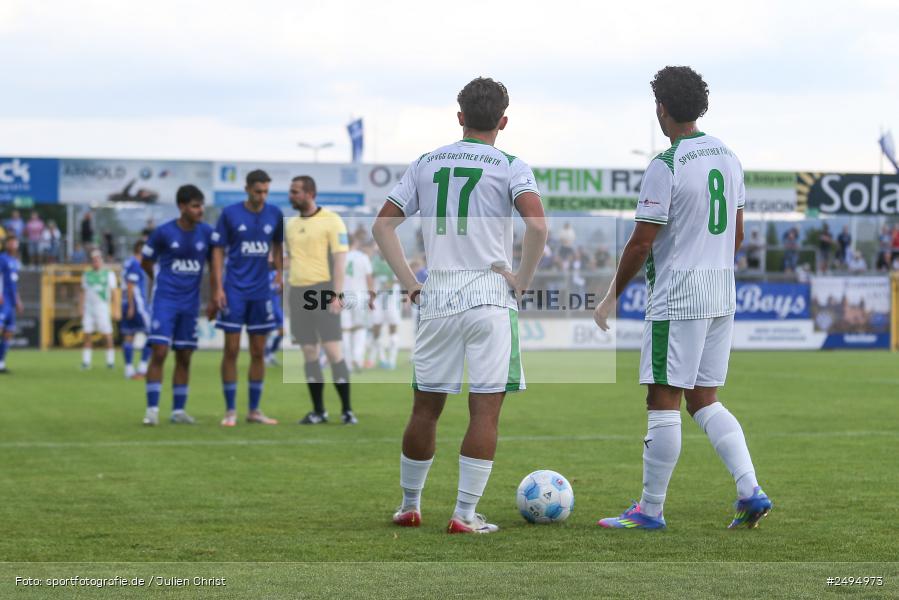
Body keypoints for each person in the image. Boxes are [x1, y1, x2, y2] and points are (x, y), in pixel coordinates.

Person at [592, 66, 771, 530]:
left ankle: (650, 510)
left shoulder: (666, 165)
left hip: (678, 297)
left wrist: (611, 296)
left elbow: (640, 243)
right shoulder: (729, 157)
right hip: (721, 292)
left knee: (663, 398)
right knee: (704, 398)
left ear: (662, 109)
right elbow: (737, 234)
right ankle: (750, 490)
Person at [372, 76, 547, 534]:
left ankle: (410, 505)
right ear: (503, 121)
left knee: (425, 409)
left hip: (439, 293)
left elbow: (382, 227)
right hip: (490, 294)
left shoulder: (427, 162)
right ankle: (464, 515)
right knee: (484, 411)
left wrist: (412, 283)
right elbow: (539, 228)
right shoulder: (511, 165)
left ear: (460, 117)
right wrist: (521, 282)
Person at [211, 169, 284, 427]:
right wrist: (218, 287)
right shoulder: (230, 214)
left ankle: (254, 410)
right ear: (247, 189)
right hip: (234, 291)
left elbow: (278, 245)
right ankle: (230, 410)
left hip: (261, 292)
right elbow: (218, 251)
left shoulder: (274, 214)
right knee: (230, 350)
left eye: (266, 191)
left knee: (258, 351)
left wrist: (279, 273)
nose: (262, 196)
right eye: (258, 191)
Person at [141, 185, 216, 425]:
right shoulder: (163, 232)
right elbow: (146, 261)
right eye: (195, 206)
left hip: (190, 303)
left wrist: (216, 295)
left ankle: (178, 411)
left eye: (201, 205)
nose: (200, 210)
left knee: (184, 355)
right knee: (160, 351)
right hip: (165, 300)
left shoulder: (207, 233)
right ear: (182, 207)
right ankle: (152, 410)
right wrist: (158, 280)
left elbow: (217, 264)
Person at [284, 175, 354, 425]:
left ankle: (347, 410)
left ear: (310, 193)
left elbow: (340, 260)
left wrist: (336, 293)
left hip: (323, 291)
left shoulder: (331, 221)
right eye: (291, 192)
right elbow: (290, 259)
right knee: (309, 352)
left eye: (295, 192)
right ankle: (318, 411)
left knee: (333, 351)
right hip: (297, 292)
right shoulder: (291, 224)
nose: (291, 196)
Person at [342, 234, 375, 372]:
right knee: (360, 328)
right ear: (355, 242)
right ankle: (357, 358)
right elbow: (369, 278)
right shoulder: (363, 257)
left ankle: (347, 362)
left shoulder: (340, 257)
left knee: (345, 330)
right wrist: (372, 297)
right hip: (360, 296)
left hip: (343, 296)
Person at [80, 249, 117, 370]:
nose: (95, 262)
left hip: (102, 308)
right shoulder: (86, 275)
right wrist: (81, 307)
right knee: (87, 334)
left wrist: (116, 308)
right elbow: (83, 292)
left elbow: (114, 292)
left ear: (101, 260)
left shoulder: (109, 274)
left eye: (97, 259)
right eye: (93, 260)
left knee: (107, 335)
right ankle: (86, 362)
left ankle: (110, 362)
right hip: (89, 309)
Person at [120, 240, 152, 379]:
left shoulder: (127, 262)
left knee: (129, 336)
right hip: (137, 304)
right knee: (153, 335)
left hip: (126, 303)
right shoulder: (135, 264)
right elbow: (131, 285)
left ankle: (129, 369)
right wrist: (132, 306)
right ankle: (143, 368)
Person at [367, 250, 402, 370]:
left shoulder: (395, 260)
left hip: (392, 301)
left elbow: (399, 278)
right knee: (376, 329)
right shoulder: (374, 262)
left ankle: (392, 360)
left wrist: (389, 283)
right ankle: (382, 359)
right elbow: (370, 277)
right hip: (378, 301)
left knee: (393, 330)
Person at [0, 235, 23, 374]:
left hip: (11, 301)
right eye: (11, 242)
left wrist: (18, 300)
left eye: (15, 242)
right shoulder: (2, 258)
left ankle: (1, 363)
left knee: (8, 333)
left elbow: (14, 284)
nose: (13, 245)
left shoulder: (15, 262)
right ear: (7, 244)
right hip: (3, 301)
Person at [263, 262, 286, 367]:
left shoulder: (278, 274)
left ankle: (271, 353)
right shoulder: (262, 274)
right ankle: (265, 355)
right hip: (266, 307)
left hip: (277, 308)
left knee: (282, 332)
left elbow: (281, 289)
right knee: (266, 333)